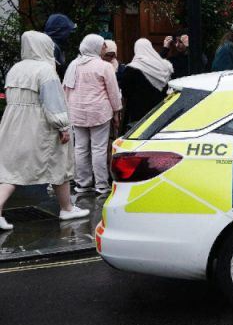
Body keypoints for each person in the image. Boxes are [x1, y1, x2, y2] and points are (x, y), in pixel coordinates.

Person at [0, 32, 90, 229]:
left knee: (12, 168)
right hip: (40, 126)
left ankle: (67, 207)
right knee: (58, 164)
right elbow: (53, 102)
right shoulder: (46, 70)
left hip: (12, 124)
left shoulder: (15, 69)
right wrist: (63, 126)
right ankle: (66, 209)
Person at [62, 33, 122, 195]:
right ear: (95, 46)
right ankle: (101, 184)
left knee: (80, 148)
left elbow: (66, 89)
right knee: (99, 148)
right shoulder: (104, 66)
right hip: (99, 112)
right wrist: (117, 112)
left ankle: (83, 183)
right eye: (102, 45)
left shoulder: (74, 64)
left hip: (77, 113)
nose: (104, 48)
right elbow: (113, 92)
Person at [118, 38, 174, 130]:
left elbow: (125, 91)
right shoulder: (160, 66)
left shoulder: (131, 69)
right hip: (158, 107)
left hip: (137, 110)